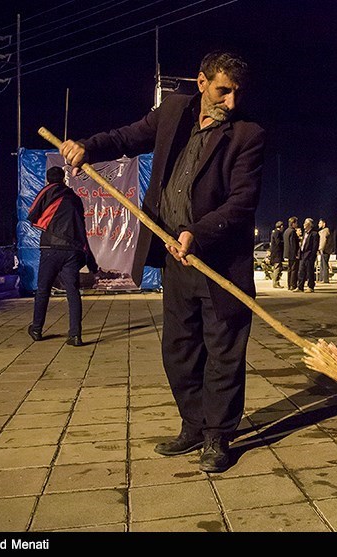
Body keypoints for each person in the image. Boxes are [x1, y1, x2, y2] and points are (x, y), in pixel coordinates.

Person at [59, 50, 265, 473]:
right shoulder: (173, 109)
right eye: (223, 92)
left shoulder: (248, 134)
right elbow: (124, 138)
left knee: (223, 353)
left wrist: (199, 233)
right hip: (175, 259)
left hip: (220, 264)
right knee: (179, 349)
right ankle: (193, 424)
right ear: (202, 81)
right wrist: (87, 147)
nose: (231, 103)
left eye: (237, 94)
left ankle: (217, 436)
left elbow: (242, 202)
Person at [27, 166, 98, 346]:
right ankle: (75, 335)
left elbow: (32, 214)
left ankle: (36, 329)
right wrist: (89, 257)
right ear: (64, 179)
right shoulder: (75, 198)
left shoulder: (47, 191)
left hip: (51, 247)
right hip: (72, 251)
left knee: (43, 289)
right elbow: (81, 227)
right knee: (73, 292)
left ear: (48, 179)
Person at [296, 217, 319, 293]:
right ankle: (300, 287)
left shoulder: (314, 234)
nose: (304, 224)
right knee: (301, 271)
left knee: (309, 271)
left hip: (309, 255)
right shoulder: (304, 232)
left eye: (306, 223)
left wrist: (312, 256)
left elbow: (315, 246)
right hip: (302, 254)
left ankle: (310, 286)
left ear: (310, 225)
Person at [283, 216, 300, 290]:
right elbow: (293, 244)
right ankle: (293, 285)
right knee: (294, 270)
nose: (297, 224)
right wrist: (296, 254)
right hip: (292, 253)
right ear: (293, 223)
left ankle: (289, 285)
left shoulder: (286, 231)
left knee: (289, 269)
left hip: (287, 253)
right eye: (296, 223)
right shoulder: (292, 232)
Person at [268, 220, 285, 288]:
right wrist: (284, 243)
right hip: (277, 253)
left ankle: (276, 282)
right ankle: (275, 283)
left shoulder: (274, 232)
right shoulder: (277, 233)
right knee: (277, 268)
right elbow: (278, 242)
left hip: (275, 253)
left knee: (277, 268)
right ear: (281, 226)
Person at [317, 218, 332, 283]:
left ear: (324, 224)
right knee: (322, 264)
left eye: (320, 223)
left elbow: (323, 241)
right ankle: (322, 278)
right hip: (325, 250)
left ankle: (325, 279)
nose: (318, 224)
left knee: (324, 264)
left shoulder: (324, 231)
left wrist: (320, 249)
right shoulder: (324, 231)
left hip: (324, 250)